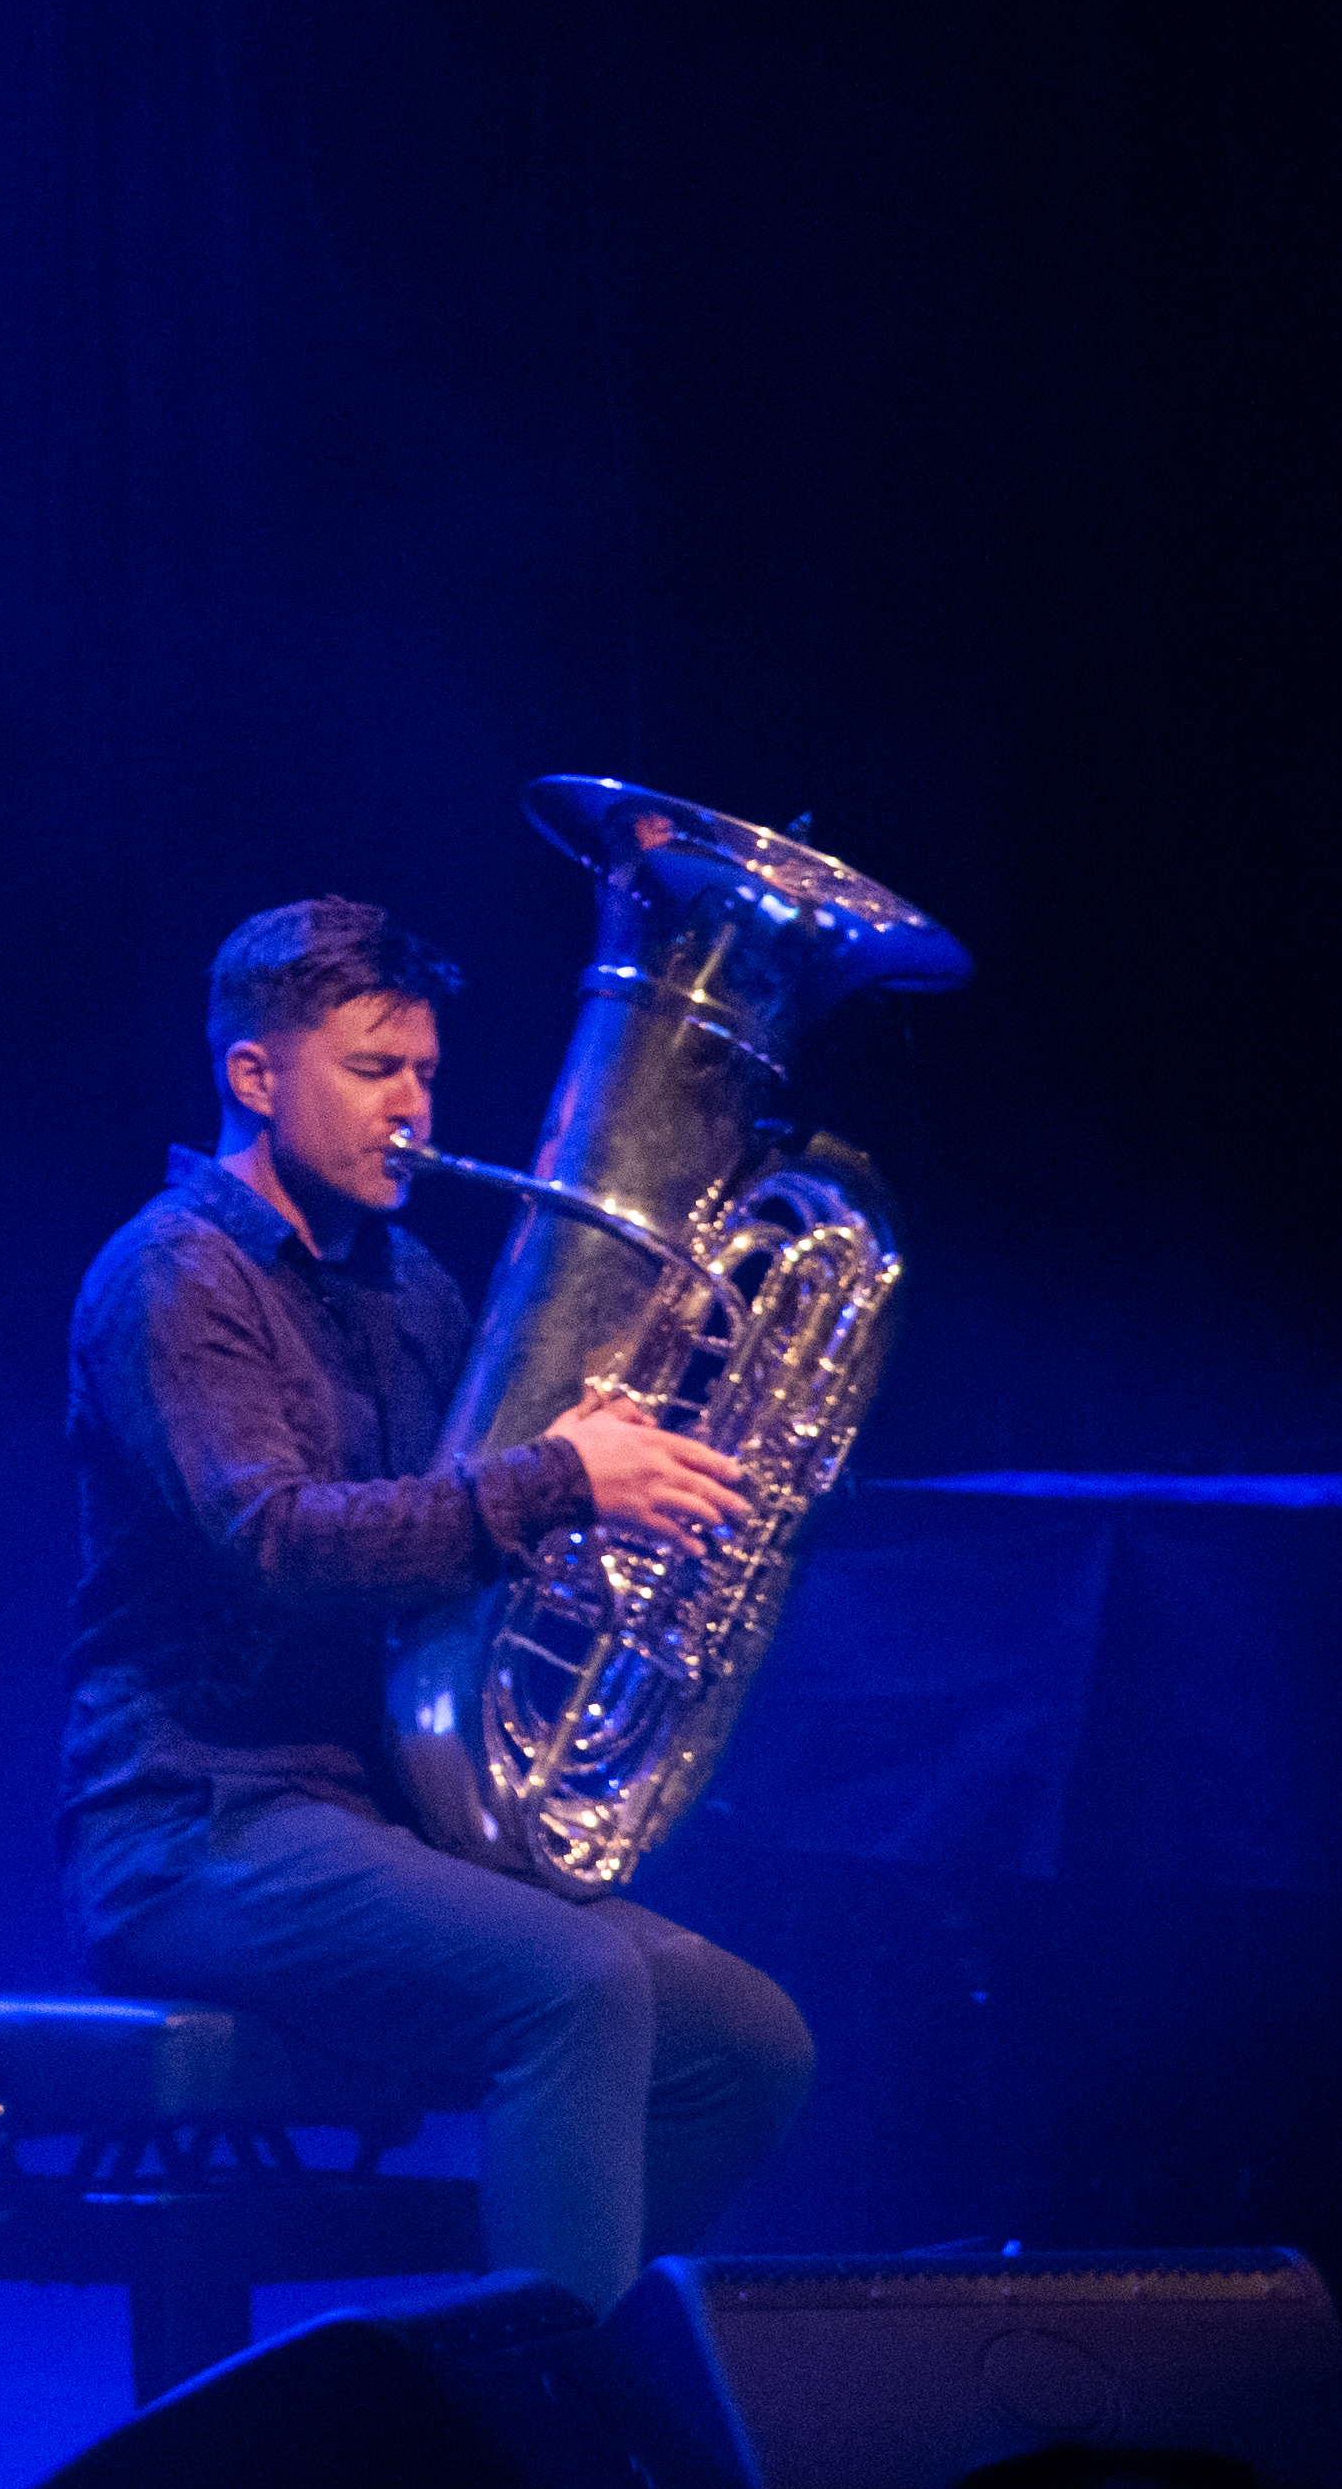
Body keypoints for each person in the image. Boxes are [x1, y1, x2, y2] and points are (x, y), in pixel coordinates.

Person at [60, 895, 813, 2314]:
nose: (411, 1107)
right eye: (372, 1070)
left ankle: (543, 2355)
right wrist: (555, 1481)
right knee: (576, 1985)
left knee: (749, 2042)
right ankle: (545, 2408)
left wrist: (611, 1488)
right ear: (255, 1076)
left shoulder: (411, 1285)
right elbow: (275, 1542)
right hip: (197, 1823)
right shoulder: (173, 1274)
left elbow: (456, 1543)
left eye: (423, 1072)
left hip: (386, 1817)